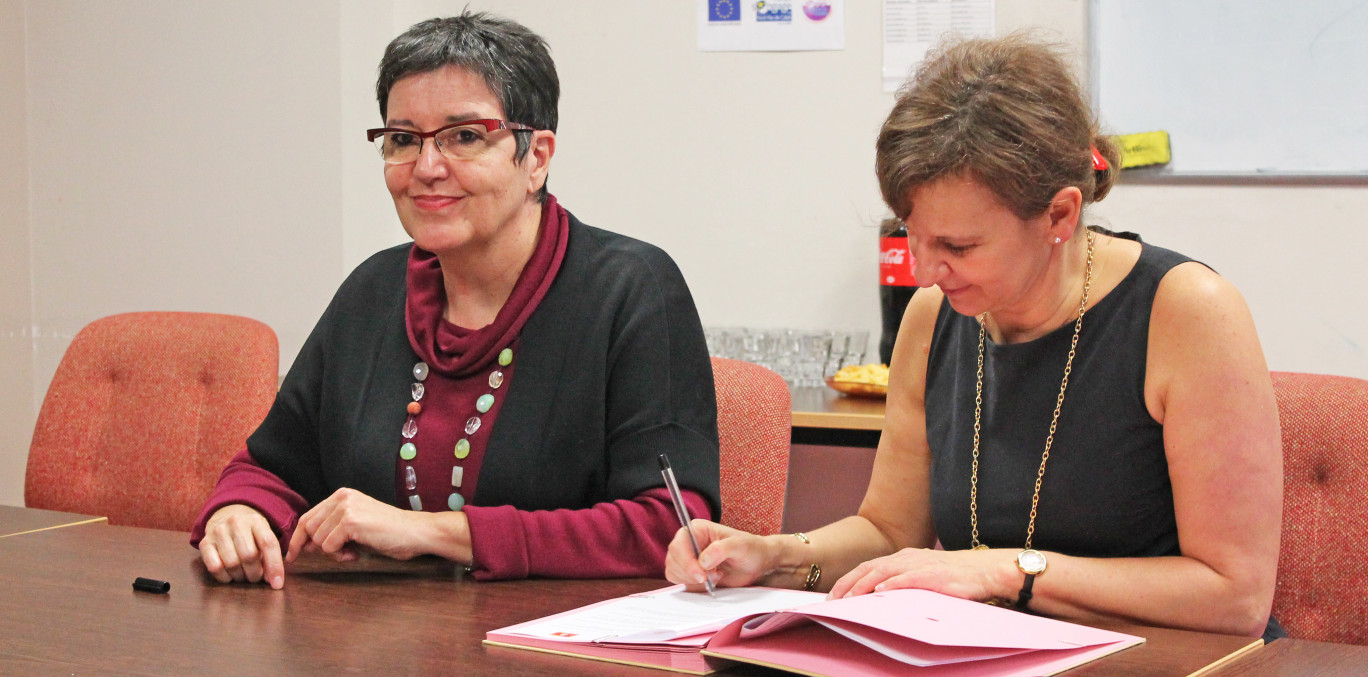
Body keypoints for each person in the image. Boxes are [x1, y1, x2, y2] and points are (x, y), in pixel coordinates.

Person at [667, 33, 1284, 640]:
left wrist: (1004, 570)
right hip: (998, 669)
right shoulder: (935, 315)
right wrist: (770, 555)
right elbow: (888, 532)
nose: (925, 271)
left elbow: (1235, 595)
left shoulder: (1186, 311)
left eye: (958, 247)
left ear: (1059, 216)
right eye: (913, 234)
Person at [192, 12, 720, 590]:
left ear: (537, 158)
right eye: (402, 140)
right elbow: (270, 467)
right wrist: (239, 512)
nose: (426, 169)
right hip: (375, 655)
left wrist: (435, 532)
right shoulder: (373, 291)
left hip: (560, 659)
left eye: (464, 137)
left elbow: (671, 526)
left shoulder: (632, 288)